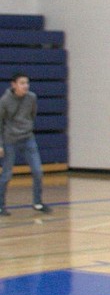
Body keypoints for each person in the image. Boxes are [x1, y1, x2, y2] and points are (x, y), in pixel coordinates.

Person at [0, 72, 52, 215]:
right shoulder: (5, 101)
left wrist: (26, 128)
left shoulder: (32, 98)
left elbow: (32, 115)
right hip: (10, 140)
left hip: (28, 138)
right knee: (7, 174)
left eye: (27, 83)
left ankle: (37, 202)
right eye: (22, 83)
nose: (25, 86)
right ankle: (0, 205)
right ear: (14, 85)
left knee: (37, 171)